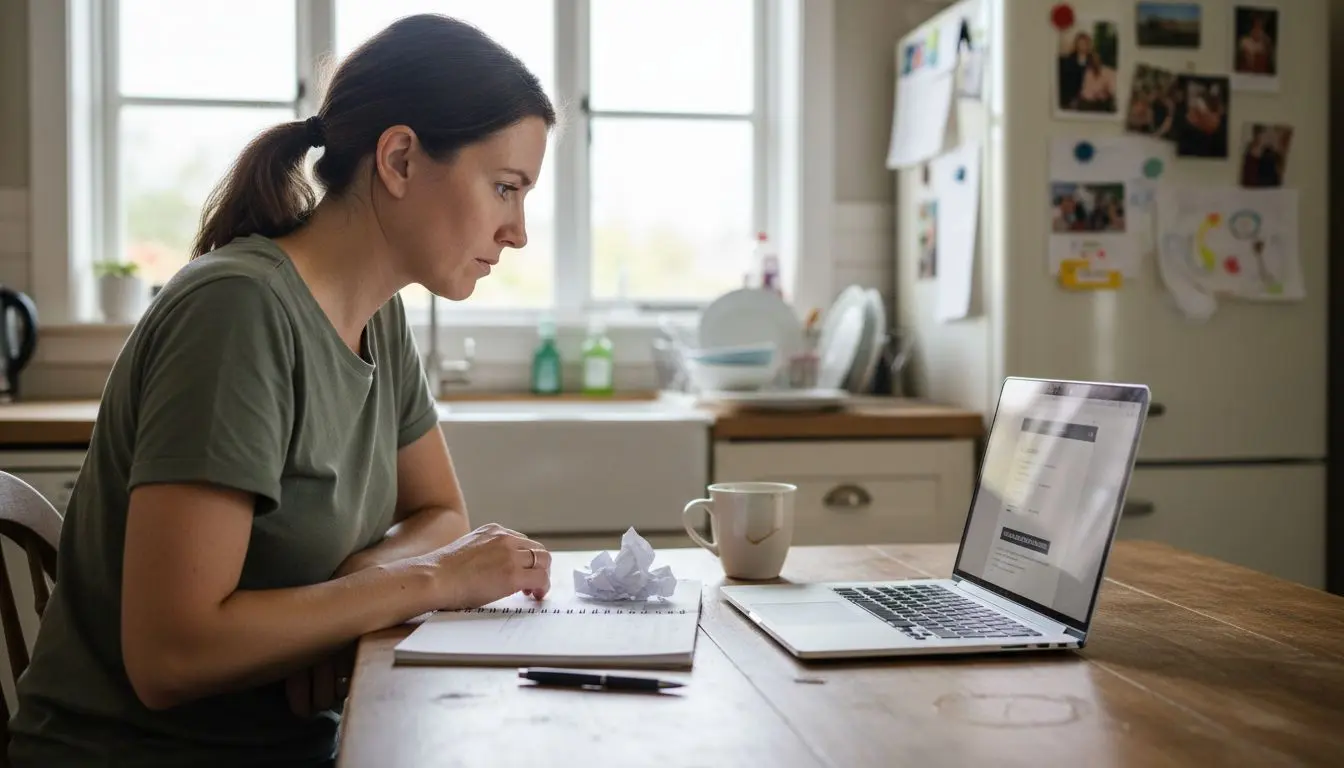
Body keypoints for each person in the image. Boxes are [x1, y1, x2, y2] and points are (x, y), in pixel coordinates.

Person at [8, 13, 556, 767]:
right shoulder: (236, 312)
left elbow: (440, 512)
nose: (518, 230)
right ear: (399, 158)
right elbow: (171, 657)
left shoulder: (380, 318)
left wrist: (336, 603)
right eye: (504, 187)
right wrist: (427, 580)